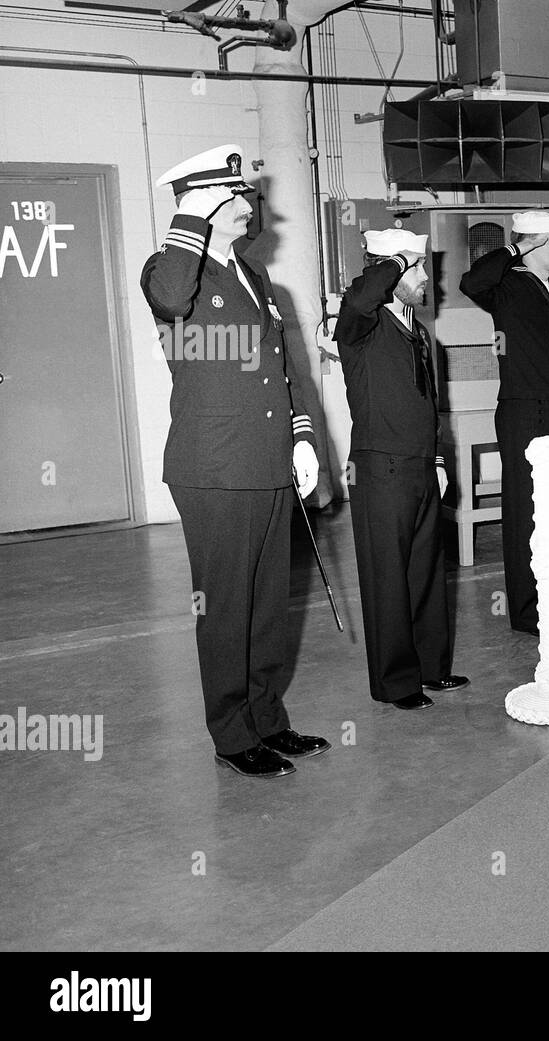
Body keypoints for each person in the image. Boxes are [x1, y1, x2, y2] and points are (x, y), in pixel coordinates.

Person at [140, 144, 329, 779]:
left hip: (269, 459)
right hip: (216, 468)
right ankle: (231, 734)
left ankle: (268, 718)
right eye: (237, 193)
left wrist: (303, 437)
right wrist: (188, 221)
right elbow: (169, 300)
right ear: (206, 200)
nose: (250, 204)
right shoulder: (170, 270)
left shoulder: (254, 276)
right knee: (226, 607)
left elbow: (283, 368)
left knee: (269, 603)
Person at [335, 229, 468, 711]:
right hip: (380, 467)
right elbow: (363, 296)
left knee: (426, 571)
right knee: (387, 578)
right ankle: (396, 683)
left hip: (420, 467)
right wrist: (393, 263)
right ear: (388, 269)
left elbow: (431, 404)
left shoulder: (420, 330)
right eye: (417, 267)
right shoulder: (359, 324)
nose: (428, 276)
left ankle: (432, 667)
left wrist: (436, 459)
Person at [459, 211, 549, 636]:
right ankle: (526, 610)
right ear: (533, 245)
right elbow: (471, 281)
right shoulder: (507, 285)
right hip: (522, 409)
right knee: (525, 510)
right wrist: (518, 246)